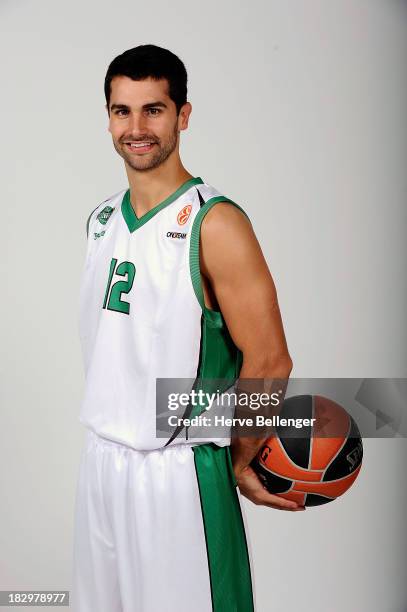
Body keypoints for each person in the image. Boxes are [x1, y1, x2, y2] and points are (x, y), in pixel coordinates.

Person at [71, 43, 303, 612]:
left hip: (177, 475)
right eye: (122, 111)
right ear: (108, 118)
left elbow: (270, 361)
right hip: (102, 464)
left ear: (183, 115)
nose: (137, 127)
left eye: (154, 109)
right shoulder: (101, 220)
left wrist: (240, 459)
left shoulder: (214, 222)